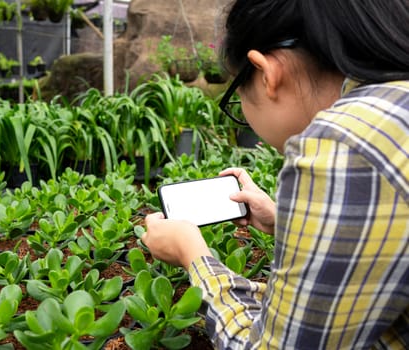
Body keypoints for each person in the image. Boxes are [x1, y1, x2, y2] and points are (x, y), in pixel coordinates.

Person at [142, 0, 409, 349]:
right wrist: (287, 221)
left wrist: (193, 256)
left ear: (265, 73)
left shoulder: (343, 142)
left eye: (237, 100)